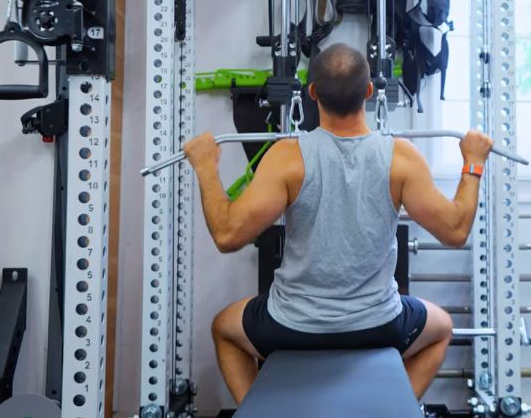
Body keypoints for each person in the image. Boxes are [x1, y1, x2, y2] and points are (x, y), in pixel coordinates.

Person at [183, 43, 494, 404]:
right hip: (378, 325)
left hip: (293, 325)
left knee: (224, 328)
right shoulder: (402, 157)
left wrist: (206, 168)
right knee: (442, 328)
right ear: (368, 91)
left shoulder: (287, 156)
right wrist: (472, 162)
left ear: (312, 93)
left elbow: (227, 233)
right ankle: (394, 410)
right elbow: (456, 231)